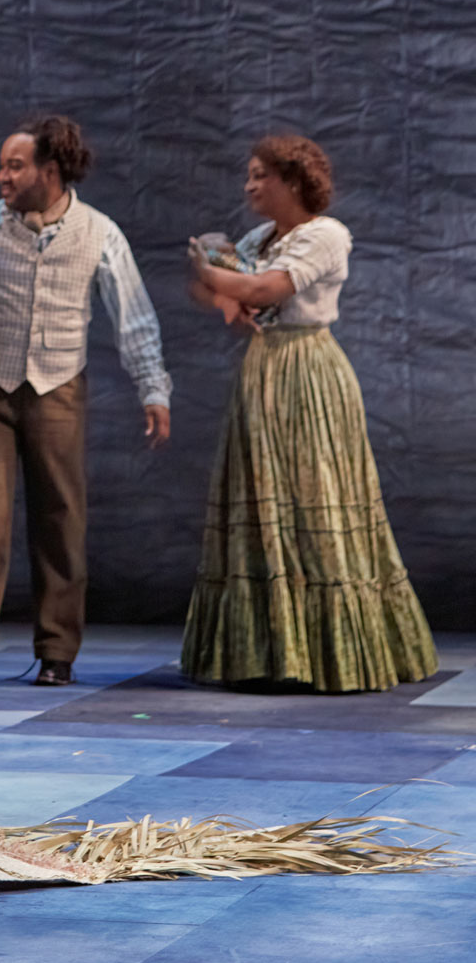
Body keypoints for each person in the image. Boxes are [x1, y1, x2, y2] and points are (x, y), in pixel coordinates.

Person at [0, 115, 172, 690]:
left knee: (61, 516)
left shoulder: (99, 231)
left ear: (49, 171)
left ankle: (58, 652)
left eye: (16, 166)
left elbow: (134, 317)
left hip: (58, 383)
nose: (3, 176)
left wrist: (152, 388)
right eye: (2, 166)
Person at [181, 135, 436, 692]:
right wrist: (220, 287)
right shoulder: (261, 237)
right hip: (263, 371)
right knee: (262, 496)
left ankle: (330, 655)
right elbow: (222, 291)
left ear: (293, 181)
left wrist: (212, 270)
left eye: (259, 175)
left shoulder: (325, 235)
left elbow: (264, 287)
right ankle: (267, 654)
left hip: (307, 371)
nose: (249, 185)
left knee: (313, 495)